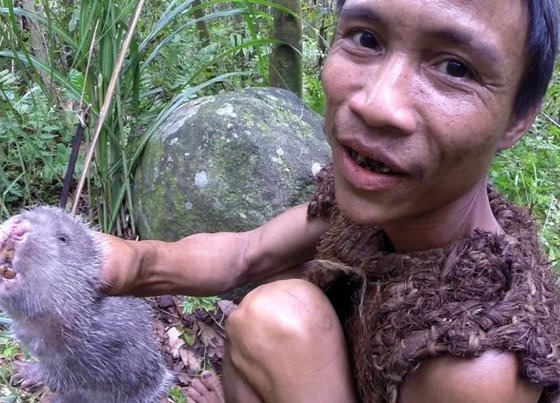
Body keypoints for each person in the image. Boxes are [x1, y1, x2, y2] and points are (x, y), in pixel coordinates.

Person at [101, 0, 560, 401]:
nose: (377, 103)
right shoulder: (386, 202)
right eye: (366, 38)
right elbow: (246, 254)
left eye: (455, 68)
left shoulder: (474, 360)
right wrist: (119, 263)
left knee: (283, 316)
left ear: (519, 117)